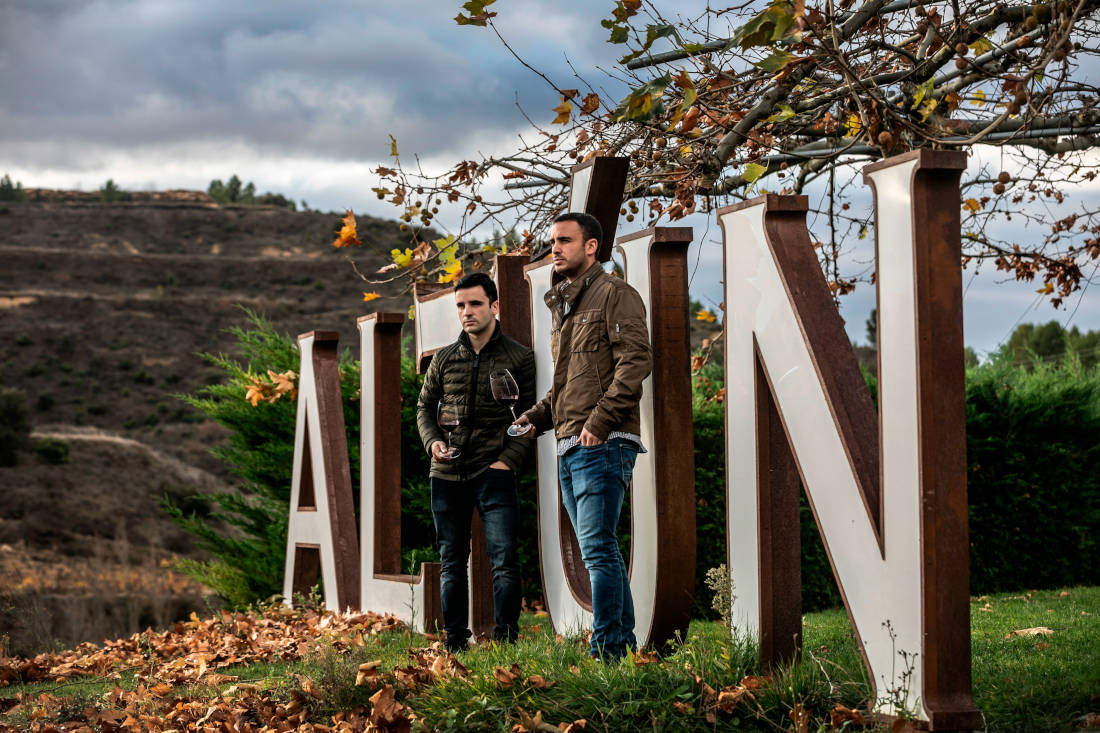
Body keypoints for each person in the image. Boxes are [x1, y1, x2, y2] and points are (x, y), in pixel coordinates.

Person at [511, 212, 652, 661]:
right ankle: (622, 646)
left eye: (565, 241)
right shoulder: (566, 305)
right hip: (570, 443)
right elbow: (568, 384)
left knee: (596, 550)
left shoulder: (616, 295)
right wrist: (534, 418)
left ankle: (607, 650)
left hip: (602, 442)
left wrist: (599, 423)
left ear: (591, 247)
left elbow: (635, 362)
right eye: (553, 241)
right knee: (600, 550)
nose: (555, 248)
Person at [416, 271, 536, 653]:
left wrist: (507, 461)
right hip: (447, 473)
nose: (467, 312)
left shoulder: (519, 357)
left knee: (503, 559)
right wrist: (432, 442)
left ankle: (506, 642)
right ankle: (454, 643)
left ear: (494, 306)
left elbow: (531, 417)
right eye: (461, 306)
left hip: (494, 470)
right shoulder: (444, 359)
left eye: (475, 304)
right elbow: (423, 407)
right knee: (451, 560)